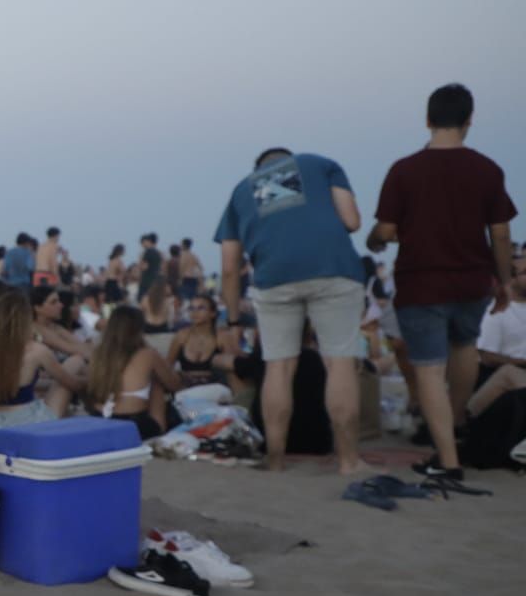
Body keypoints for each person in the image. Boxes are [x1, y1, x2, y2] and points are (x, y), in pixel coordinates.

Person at [367, 84, 516, 482]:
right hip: (472, 280)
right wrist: (504, 281)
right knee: (465, 348)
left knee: (430, 370)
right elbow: (500, 234)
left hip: (421, 282)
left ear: (428, 120)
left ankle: (447, 461)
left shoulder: (404, 170)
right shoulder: (488, 169)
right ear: (469, 121)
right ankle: (456, 424)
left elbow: (386, 229)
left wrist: (374, 239)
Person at [216, 146, 366, 474]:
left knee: (278, 368)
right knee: (339, 363)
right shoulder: (320, 164)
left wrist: (233, 319)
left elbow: (229, 267)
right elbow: (352, 221)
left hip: (274, 278)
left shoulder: (243, 190)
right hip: (333, 269)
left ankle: (276, 460)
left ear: (259, 169)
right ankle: (348, 462)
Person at [0, 290, 84, 429]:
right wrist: (90, 383)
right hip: (29, 423)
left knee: (52, 383)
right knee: (75, 362)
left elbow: (13, 386)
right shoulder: (36, 350)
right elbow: (72, 384)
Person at [87, 306, 184, 439]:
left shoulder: (98, 352)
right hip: (133, 425)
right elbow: (174, 384)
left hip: (99, 419)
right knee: (157, 382)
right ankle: (161, 431)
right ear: (138, 329)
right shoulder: (148, 354)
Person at [169, 293, 238, 386]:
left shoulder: (222, 336)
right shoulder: (182, 335)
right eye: (191, 308)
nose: (195, 312)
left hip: (215, 388)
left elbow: (233, 367)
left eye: (201, 308)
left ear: (212, 313)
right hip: (185, 388)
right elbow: (168, 366)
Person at [136, 233, 163, 301]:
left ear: (147, 241)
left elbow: (144, 267)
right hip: (156, 280)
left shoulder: (147, 252)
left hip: (146, 281)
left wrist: (140, 262)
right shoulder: (158, 253)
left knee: (141, 300)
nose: (142, 245)